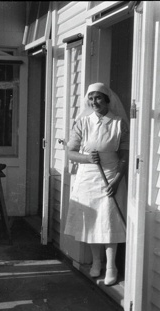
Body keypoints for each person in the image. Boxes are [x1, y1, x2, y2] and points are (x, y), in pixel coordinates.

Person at [64, 82, 129, 286]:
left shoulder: (118, 123)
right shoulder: (83, 123)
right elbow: (70, 151)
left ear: (107, 99)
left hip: (110, 174)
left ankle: (111, 267)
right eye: (91, 98)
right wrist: (87, 159)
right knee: (92, 221)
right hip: (88, 176)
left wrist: (117, 180)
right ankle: (96, 262)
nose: (94, 102)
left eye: (98, 97)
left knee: (110, 221)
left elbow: (125, 155)